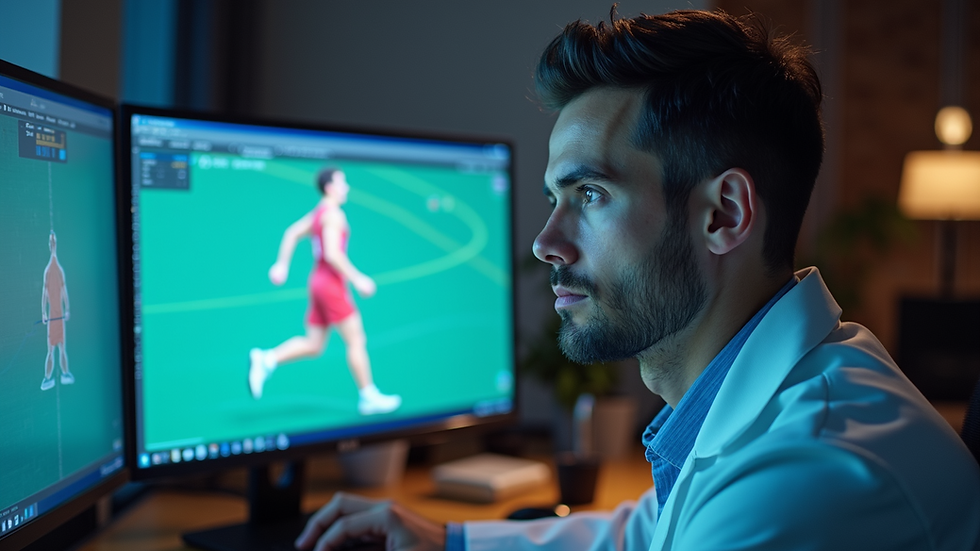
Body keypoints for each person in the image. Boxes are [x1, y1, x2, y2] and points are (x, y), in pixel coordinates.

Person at [293, 9, 980, 551]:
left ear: (724, 213)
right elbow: (649, 533)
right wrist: (452, 539)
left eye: (589, 194)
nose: (545, 241)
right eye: (553, 197)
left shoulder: (808, 474)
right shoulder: (786, 396)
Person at [249, 168, 401, 416]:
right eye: (342, 182)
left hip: (317, 282)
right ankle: (368, 396)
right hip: (330, 284)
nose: (347, 187)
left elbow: (291, 233)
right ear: (330, 187)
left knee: (314, 344)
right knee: (356, 339)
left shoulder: (319, 213)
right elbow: (332, 253)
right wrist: (358, 278)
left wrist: (282, 264)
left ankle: (267, 359)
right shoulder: (333, 215)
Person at [41, 231, 73, 390]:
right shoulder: (52, 270)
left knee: (57, 349)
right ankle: (50, 377)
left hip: (57, 317)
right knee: (56, 349)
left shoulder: (53, 270)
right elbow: (46, 293)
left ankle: (60, 375)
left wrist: (66, 309)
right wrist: (44, 313)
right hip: (56, 317)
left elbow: (59, 291)